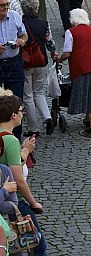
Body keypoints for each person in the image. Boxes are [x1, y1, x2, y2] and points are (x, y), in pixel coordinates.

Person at [0, 92, 47, 255]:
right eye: (21, 111)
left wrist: (25, 151)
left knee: (12, 248)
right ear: (13, 115)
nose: (23, 114)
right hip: (14, 201)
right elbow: (18, 179)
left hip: (3, 198)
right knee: (37, 244)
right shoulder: (11, 140)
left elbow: (7, 165)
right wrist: (33, 203)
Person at [56, 9, 91, 136]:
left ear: (73, 20)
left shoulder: (71, 32)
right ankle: (88, 119)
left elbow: (68, 52)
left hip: (81, 67)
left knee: (85, 92)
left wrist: (59, 60)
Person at [20, 0, 56, 136]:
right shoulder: (44, 23)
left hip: (27, 63)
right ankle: (47, 118)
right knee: (38, 92)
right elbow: (50, 42)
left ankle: (34, 128)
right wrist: (54, 53)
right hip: (41, 60)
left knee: (28, 96)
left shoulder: (21, 23)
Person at [0, 0, 27, 140]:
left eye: (6, 5)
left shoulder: (15, 15)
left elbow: (24, 35)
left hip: (14, 62)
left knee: (17, 100)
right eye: (2, 6)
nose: (5, 8)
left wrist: (21, 41)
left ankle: (16, 137)